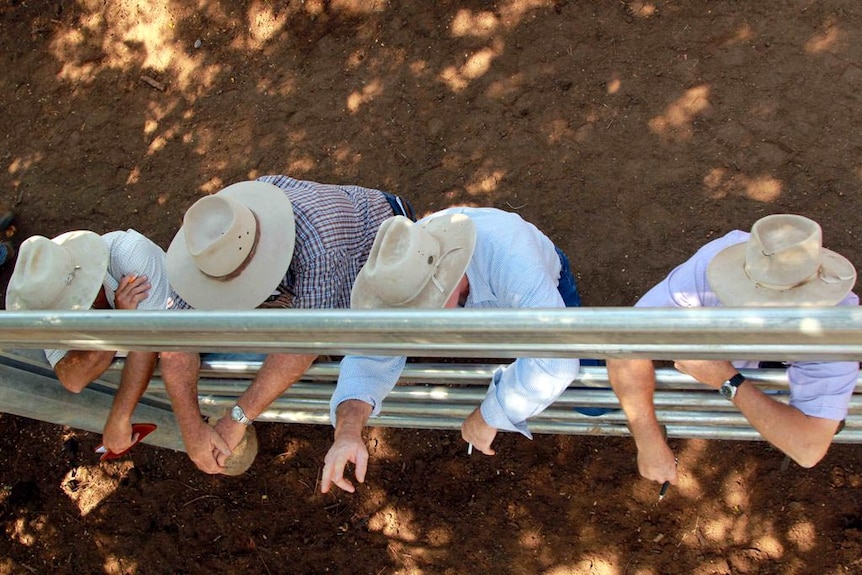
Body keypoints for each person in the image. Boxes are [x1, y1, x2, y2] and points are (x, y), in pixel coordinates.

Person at [159, 175, 415, 474]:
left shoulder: (319, 242)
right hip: (309, 271)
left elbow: (304, 344)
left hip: (383, 244)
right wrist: (191, 429)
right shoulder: (207, 243)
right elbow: (175, 341)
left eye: (242, 280)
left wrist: (237, 418)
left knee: (357, 333)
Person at [321, 207, 584, 494]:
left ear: (448, 276)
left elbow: (557, 362)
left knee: (587, 393)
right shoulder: (404, 270)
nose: (416, 324)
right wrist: (346, 432)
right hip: (489, 307)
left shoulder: (513, 260)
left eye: (423, 310)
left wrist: (489, 416)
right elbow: (367, 357)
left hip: (541, 286)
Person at [607, 214, 859, 487]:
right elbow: (625, 340)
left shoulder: (838, 324)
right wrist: (649, 443)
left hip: (763, 380)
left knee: (811, 423)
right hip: (751, 373)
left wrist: (727, 379)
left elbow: (809, 449)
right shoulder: (716, 262)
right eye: (752, 297)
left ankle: (808, 412)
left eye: (774, 305)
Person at [5, 228, 171, 455]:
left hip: (192, 339)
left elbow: (150, 345)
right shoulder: (45, 300)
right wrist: (120, 323)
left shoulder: (129, 253)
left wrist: (118, 417)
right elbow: (73, 378)